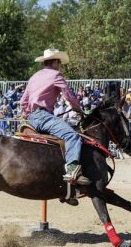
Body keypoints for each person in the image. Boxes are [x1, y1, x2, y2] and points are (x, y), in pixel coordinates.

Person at [20, 48, 90, 186]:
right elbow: (69, 95)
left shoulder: (34, 76)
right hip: (43, 116)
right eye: (60, 63)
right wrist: (78, 109)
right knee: (72, 136)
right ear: (56, 62)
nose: (60, 65)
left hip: (31, 118)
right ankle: (71, 169)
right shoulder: (56, 75)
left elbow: (23, 101)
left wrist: (27, 112)